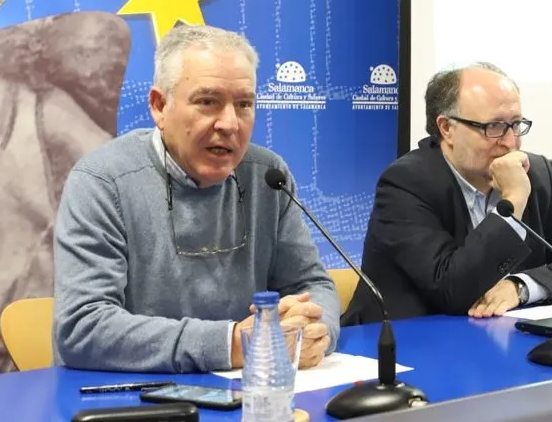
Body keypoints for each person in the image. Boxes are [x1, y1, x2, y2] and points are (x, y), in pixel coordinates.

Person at [52, 24, 341, 373]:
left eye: (245, 104)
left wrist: (313, 332)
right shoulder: (103, 181)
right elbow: (83, 327)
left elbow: (312, 285)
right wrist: (232, 344)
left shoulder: (268, 175)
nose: (230, 124)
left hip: (247, 393)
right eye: (208, 102)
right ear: (159, 106)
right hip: (134, 401)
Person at [342, 62, 552, 325]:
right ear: (447, 128)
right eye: (493, 127)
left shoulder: (534, 172)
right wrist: (514, 199)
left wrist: (519, 287)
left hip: (495, 341)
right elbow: (452, 290)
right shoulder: (406, 183)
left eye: (516, 124)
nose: (510, 142)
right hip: (407, 346)